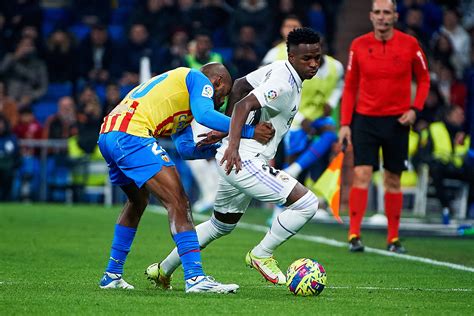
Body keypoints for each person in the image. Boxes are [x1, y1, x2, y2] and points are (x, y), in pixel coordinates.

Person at [145, 27, 322, 288]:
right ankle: (262, 254)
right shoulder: (282, 83)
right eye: (307, 59)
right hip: (245, 160)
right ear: (291, 56)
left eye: (317, 57)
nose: (314, 64)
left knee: (220, 225)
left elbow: (239, 86)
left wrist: (227, 131)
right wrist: (234, 144)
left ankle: (163, 270)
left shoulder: (279, 69)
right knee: (306, 203)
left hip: (240, 159)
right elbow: (243, 104)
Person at [97, 62, 274, 293]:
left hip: (110, 135)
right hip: (131, 134)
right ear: (217, 82)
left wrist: (221, 146)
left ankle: (112, 275)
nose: (221, 102)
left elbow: (186, 148)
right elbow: (205, 114)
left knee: (138, 201)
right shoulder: (196, 78)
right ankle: (195, 278)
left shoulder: (181, 102)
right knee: (179, 201)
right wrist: (248, 131)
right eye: (223, 95)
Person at [338, 0, 430, 253]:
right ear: (370, 16)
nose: (381, 17)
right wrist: (345, 123)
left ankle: (393, 238)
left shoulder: (410, 44)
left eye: (386, 12)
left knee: (392, 179)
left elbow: (423, 79)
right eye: (377, 12)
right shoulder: (358, 45)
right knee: (362, 174)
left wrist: (415, 110)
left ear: (395, 16)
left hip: (397, 121)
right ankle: (354, 234)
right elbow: (350, 86)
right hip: (365, 120)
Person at [418, 105, 473, 224]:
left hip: (457, 167)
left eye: (462, 115)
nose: (461, 117)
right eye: (458, 114)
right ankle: (446, 207)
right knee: (436, 171)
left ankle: (468, 210)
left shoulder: (463, 134)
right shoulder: (434, 128)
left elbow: (466, 154)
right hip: (439, 166)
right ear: (449, 115)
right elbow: (424, 152)